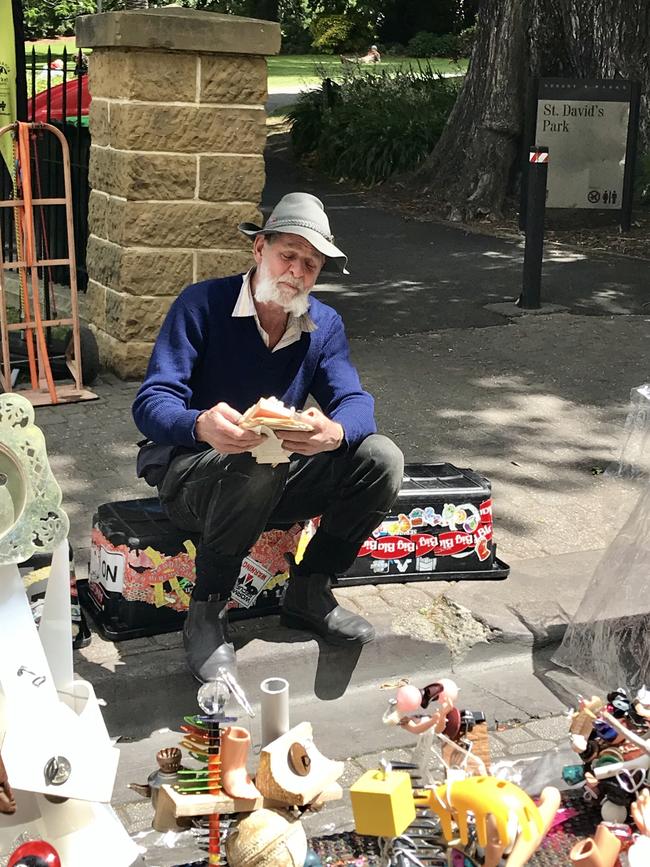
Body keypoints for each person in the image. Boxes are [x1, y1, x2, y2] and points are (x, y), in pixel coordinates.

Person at [132, 192, 404, 683]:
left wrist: (334, 431)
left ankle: (311, 590)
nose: (296, 272)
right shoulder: (202, 305)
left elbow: (357, 402)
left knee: (381, 457)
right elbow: (152, 402)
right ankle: (208, 610)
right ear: (259, 250)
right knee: (258, 457)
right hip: (195, 480)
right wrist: (199, 424)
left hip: (274, 480)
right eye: (288, 256)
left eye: (310, 264)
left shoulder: (322, 324)